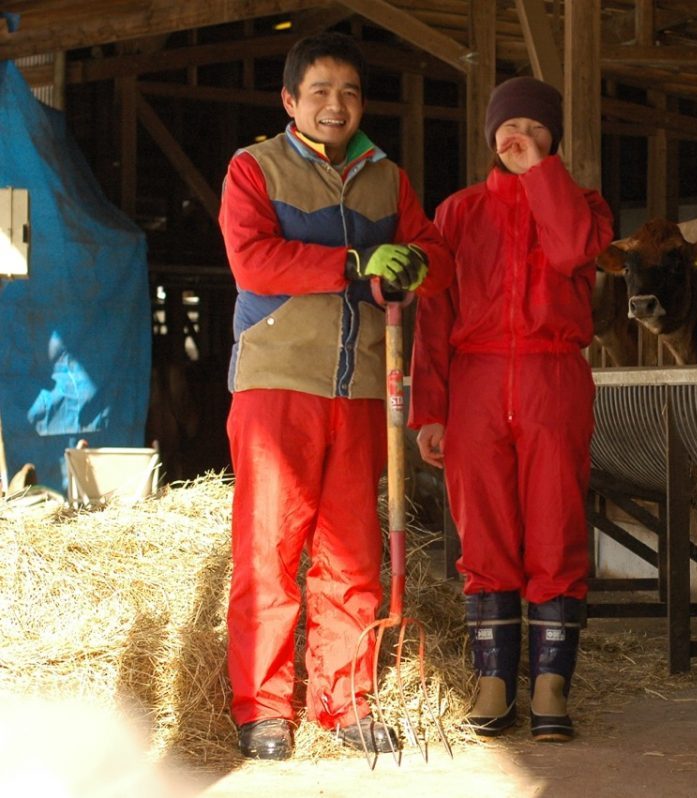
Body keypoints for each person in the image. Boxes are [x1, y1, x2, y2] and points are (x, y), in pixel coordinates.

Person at [217, 31, 451, 760]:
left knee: (352, 551)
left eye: (348, 92)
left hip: (362, 392)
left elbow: (434, 258)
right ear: (291, 101)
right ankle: (262, 709)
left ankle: (342, 701)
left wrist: (417, 264)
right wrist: (354, 261)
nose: (335, 104)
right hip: (277, 381)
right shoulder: (254, 168)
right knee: (268, 548)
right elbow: (254, 259)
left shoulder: (389, 179)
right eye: (319, 91)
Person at [409, 76, 614, 742]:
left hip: (554, 377)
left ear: (554, 138)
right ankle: (494, 677)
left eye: (534, 125)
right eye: (507, 124)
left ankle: (552, 681)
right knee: (485, 530)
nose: (518, 133)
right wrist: (429, 409)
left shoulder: (582, 207)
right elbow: (433, 315)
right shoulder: (459, 212)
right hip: (474, 381)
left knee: (557, 523)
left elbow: (568, 251)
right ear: (489, 135)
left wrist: (541, 176)